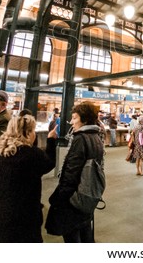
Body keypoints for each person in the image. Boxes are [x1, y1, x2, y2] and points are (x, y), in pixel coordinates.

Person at [0, 115, 57, 242]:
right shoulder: (33, 154)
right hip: (23, 220)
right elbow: (49, 164)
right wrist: (51, 140)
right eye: (33, 131)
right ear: (27, 133)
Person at [46, 102, 105, 243]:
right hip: (87, 196)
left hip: (74, 199)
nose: (71, 122)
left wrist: (59, 198)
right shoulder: (96, 137)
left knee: (72, 236)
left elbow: (71, 173)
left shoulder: (80, 139)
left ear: (84, 119)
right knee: (85, 233)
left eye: (74, 118)